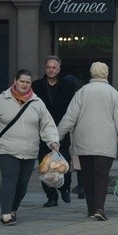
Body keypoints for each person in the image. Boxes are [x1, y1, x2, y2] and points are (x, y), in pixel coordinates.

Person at [0, 69, 60, 225]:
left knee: (22, 185)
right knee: (10, 179)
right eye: (22, 81)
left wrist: (52, 140)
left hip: (29, 151)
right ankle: (5, 213)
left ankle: (13, 209)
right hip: (6, 149)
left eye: (28, 82)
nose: (24, 85)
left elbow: (47, 124)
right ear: (15, 81)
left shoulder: (37, 103)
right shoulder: (2, 100)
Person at [57, 62, 118, 221]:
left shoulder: (82, 92)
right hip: (105, 143)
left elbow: (70, 117)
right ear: (106, 73)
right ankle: (99, 208)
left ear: (91, 73)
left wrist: (56, 138)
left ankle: (91, 210)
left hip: (83, 142)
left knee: (88, 177)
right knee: (101, 176)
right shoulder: (113, 93)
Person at [32, 56, 78, 207]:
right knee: (44, 165)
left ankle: (65, 188)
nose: (51, 70)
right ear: (45, 68)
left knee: (63, 162)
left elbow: (73, 108)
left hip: (61, 131)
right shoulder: (36, 86)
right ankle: (51, 197)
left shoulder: (68, 86)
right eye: (48, 67)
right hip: (42, 132)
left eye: (54, 67)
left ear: (59, 69)